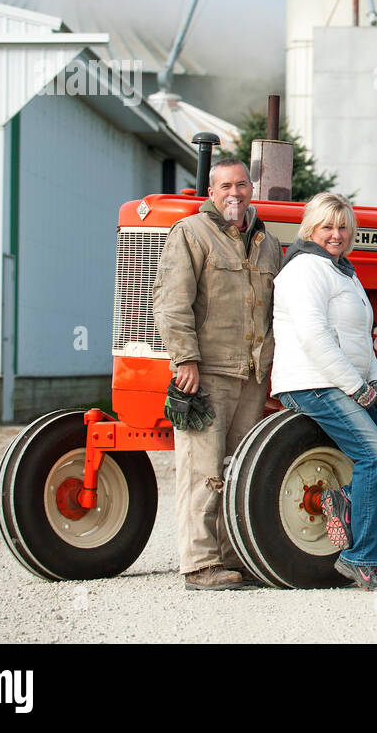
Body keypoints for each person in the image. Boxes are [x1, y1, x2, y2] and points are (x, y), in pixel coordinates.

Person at [271, 192, 377, 592]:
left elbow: (360, 340)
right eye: (327, 227)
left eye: (342, 228)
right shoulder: (304, 270)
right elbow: (315, 338)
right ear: (310, 229)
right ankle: (360, 559)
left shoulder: (344, 272)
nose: (336, 234)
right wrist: (358, 390)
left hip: (344, 382)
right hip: (311, 382)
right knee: (375, 453)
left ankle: (348, 500)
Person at [152, 158, 282, 590]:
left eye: (242, 185)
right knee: (202, 468)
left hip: (252, 376)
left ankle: (230, 557)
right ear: (210, 192)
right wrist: (185, 360)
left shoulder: (267, 243)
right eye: (225, 185)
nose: (235, 193)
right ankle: (198, 563)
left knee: (236, 469)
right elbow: (171, 302)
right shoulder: (191, 234)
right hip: (207, 373)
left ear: (251, 189)